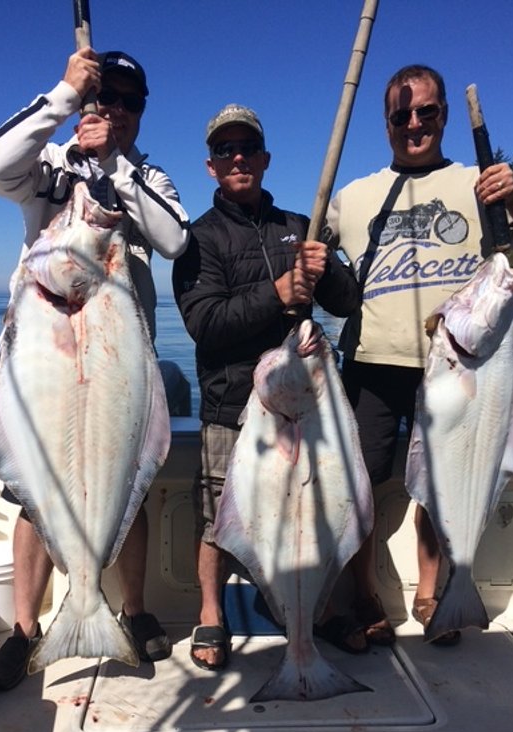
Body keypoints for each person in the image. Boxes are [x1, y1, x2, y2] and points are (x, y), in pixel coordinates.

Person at [0, 47, 190, 690]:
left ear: (140, 113)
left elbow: (175, 237)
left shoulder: (148, 178)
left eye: (130, 101)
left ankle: (130, 610)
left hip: (114, 363)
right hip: (44, 359)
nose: (117, 110)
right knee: (30, 499)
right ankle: (25, 631)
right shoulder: (46, 169)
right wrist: (66, 94)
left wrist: (115, 167)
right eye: (108, 97)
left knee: (127, 489)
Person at [325, 64, 513, 646]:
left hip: (460, 369)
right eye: (402, 114)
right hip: (375, 363)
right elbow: (313, 264)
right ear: (387, 123)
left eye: (427, 111)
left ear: (446, 114)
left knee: (444, 479)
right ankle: (366, 596)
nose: (415, 123)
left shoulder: (480, 184)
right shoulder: (353, 197)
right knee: (361, 484)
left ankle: (434, 593)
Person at [172, 104, 360, 670]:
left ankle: (313, 611)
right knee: (221, 519)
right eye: (226, 150)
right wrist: (278, 292)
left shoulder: (299, 227)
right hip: (233, 408)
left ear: (265, 159)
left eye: (247, 148)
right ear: (210, 166)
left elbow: (348, 305)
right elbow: (206, 323)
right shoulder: (196, 241)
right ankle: (212, 612)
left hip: (310, 411)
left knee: (312, 517)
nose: (238, 158)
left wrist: (327, 270)